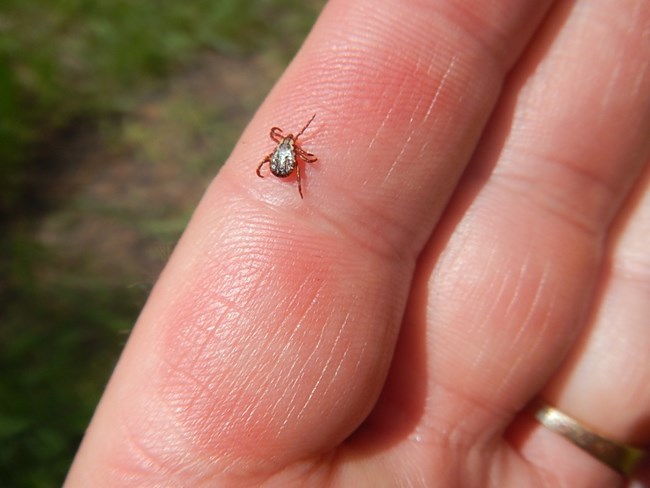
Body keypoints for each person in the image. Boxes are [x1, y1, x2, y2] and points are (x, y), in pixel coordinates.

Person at [65, 0, 649, 485]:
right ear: (286, 148)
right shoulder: (293, 158)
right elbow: (285, 166)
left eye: (288, 146)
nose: (289, 149)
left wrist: (284, 163)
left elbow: (279, 165)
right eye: (288, 146)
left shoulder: (284, 157)